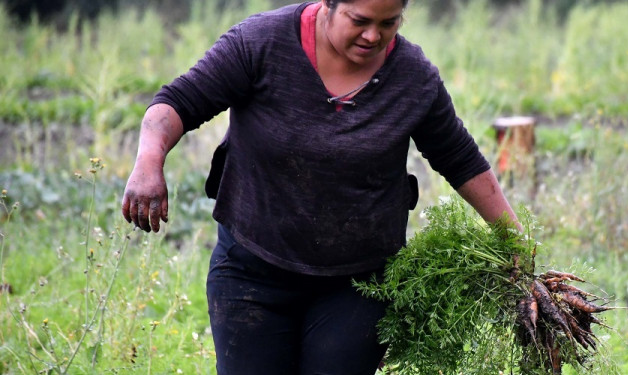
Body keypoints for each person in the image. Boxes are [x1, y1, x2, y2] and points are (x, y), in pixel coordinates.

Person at [121, 0, 519, 374]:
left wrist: (516, 244)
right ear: (329, 4)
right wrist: (148, 163)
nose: (372, 36)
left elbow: (461, 160)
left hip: (358, 284)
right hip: (251, 272)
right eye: (359, 20)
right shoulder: (261, 43)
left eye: (388, 23)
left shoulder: (413, 78)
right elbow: (178, 102)